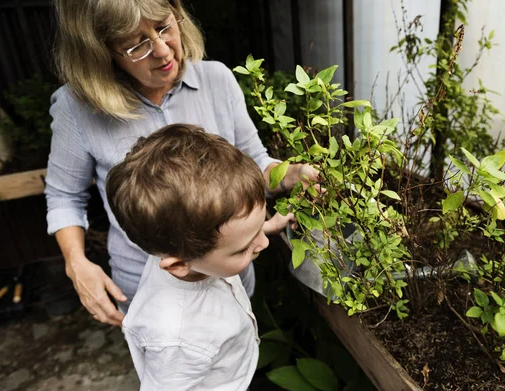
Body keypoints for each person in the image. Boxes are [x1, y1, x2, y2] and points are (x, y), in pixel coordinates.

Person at [45, 0, 317, 326]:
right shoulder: (77, 109)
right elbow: (65, 196)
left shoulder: (217, 80)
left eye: (164, 27)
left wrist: (290, 175)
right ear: (100, 52)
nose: (163, 51)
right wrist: (76, 264)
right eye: (136, 45)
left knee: (236, 352)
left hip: (228, 272)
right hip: (150, 288)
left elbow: (254, 163)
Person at [106, 124, 292, 391]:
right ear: (178, 264)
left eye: (258, 228)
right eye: (242, 249)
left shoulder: (178, 244)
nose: (262, 245)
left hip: (227, 375)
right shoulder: (177, 338)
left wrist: (260, 230)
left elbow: (225, 240)